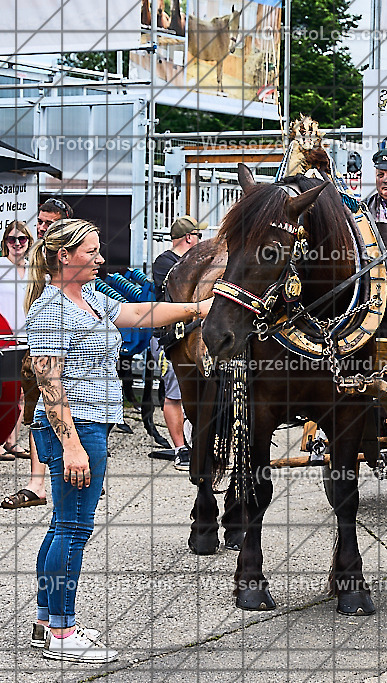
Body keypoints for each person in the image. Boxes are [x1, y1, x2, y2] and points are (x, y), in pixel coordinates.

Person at [25, 219, 211, 662]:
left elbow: (139, 314)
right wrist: (72, 445)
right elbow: (50, 385)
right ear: (64, 257)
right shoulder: (51, 310)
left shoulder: (88, 298)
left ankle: (46, 623)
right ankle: (62, 633)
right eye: (92, 253)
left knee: (61, 527)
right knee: (73, 529)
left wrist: (197, 308)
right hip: (74, 427)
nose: (101, 260)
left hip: (89, 424)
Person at [2, 199, 73, 510]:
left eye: (49, 223)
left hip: (69, 346)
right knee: (37, 412)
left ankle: (72, 475)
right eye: (40, 222)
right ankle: (37, 483)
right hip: (35, 346)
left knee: (72, 410)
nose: (42, 228)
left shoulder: (74, 257)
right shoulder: (35, 257)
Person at [150, 215, 206, 471]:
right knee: (174, 393)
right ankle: (179, 448)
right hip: (169, 337)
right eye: (199, 236)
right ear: (189, 237)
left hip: (193, 334)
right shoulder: (165, 262)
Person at [0, 220, 33, 460]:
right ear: (5, 243)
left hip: (27, 338)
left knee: (21, 393)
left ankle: (12, 440)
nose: (17, 244)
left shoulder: (35, 270)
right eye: (12, 239)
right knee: (4, 392)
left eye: (22, 239)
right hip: (4, 339)